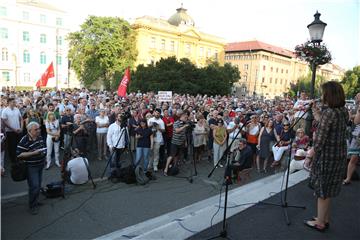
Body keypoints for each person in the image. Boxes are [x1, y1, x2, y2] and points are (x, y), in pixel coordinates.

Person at [305, 81, 349, 232]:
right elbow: (324, 122)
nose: (321, 95)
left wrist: (309, 156)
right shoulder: (342, 111)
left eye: (323, 92)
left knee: (322, 191)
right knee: (328, 190)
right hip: (338, 156)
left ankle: (320, 223)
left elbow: (319, 140)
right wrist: (315, 110)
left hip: (326, 158)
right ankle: (324, 218)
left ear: (328, 94)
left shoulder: (329, 113)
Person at [16, 122, 46, 215]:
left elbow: (42, 147)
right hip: (31, 167)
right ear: (29, 131)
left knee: (38, 185)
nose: (38, 131)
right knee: (34, 186)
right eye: (36, 129)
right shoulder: (24, 140)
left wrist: (44, 157)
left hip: (40, 164)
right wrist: (34, 153)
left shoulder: (40, 137)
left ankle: (35, 201)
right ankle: (32, 205)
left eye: (39, 129)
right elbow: (19, 154)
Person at [343, 92, 360, 185]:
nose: (357, 97)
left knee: (354, 157)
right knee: (354, 157)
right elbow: (350, 117)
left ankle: (348, 178)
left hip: (357, 133)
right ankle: (348, 178)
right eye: (357, 96)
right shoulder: (354, 106)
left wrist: (354, 116)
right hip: (356, 133)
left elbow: (356, 120)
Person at [1, 97, 23, 165]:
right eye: (13, 102)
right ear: (9, 102)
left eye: (14, 102)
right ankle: (13, 160)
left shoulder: (17, 109)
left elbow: (21, 119)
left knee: (18, 145)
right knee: (12, 146)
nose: (14, 103)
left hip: (18, 130)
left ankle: (18, 158)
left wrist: (21, 128)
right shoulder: (5, 110)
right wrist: (13, 129)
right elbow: (4, 122)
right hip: (10, 132)